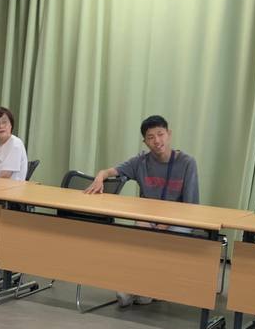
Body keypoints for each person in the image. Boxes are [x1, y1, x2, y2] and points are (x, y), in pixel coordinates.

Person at [86, 115, 201, 306]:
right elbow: (110, 172)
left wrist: (166, 223)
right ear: (145, 141)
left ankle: (137, 288)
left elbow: (191, 207)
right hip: (149, 219)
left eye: (160, 134)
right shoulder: (140, 162)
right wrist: (100, 177)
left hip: (179, 221)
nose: (157, 141)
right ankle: (144, 288)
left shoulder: (187, 162)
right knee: (139, 235)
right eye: (150, 137)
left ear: (169, 134)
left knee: (160, 240)